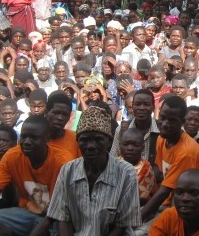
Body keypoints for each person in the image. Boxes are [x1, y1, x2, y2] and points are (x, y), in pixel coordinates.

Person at [47, 106, 142, 235]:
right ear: (77, 141)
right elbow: (63, 218)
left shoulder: (126, 173)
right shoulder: (67, 171)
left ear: (109, 141)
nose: (91, 146)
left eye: (98, 139)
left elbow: (122, 226)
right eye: (84, 140)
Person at [0, 115, 73, 236]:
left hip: (57, 218)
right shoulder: (12, 156)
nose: (27, 142)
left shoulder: (63, 161)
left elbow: (64, 208)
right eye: (23, 136)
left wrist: (39, 230)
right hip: (27, 214)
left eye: (34, 138)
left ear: (47, 139)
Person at [139, 96, 199, 226]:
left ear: (182, 122)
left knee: (136, 231)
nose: (164, 124)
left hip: (186, 206)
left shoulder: (186, 151)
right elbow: (159, 173)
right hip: (167, 200)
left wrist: (137, 219)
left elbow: (165, 191)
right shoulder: (162, 138)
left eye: (172, 120)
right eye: (163, 117)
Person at [110, 89, 159, 162]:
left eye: (146, 104)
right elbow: (112, 160)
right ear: (132, 106)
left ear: (153, 107)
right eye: (138, 104)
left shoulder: (160, 130)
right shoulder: (122, 129)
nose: (141, 108)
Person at [119, 128, 157, 205]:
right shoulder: (113, 163)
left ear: (142, 148)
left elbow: (141, 199)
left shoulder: (145, 169)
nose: (130, 148)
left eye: (135, 145)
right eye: (126, 144)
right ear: (120, 145)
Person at [45, 90, 81, 159]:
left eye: (65, 114)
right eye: (56, 113)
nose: (60, 118)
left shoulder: (75, 138)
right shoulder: (36, 137)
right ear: (46, 112)